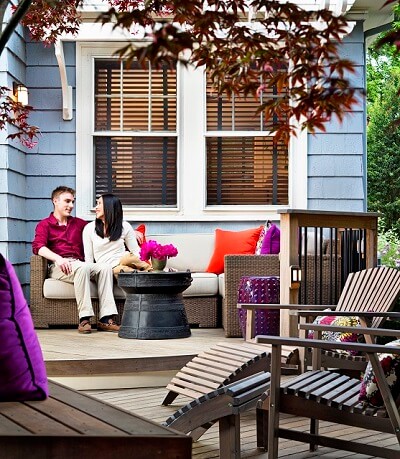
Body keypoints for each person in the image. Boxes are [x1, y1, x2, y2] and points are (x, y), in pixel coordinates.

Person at [32, 186, 120, 334]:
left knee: (104, 267)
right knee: (83, 267)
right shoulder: (44, 224)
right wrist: (59, 259)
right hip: (60, 266)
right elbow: (38, 247)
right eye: (67, 201)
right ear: (55, 201)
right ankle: (84, 318)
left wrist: (131, 231)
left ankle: (105, 318)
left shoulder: (79, 224)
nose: (71, 206)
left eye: (73, 202)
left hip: (80, 264)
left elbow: (103, 227)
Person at [82, 193, 151, 275]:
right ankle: (146, 276)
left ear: (109, 206)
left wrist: (148, 262)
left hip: (125, 259)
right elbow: (89, 259)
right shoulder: (89, 228)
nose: (96, 208)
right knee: (121, 270)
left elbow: (135, 251)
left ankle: (153, 271)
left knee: (128, 258)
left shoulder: (124, 226)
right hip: (108, 268)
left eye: (99, 203)